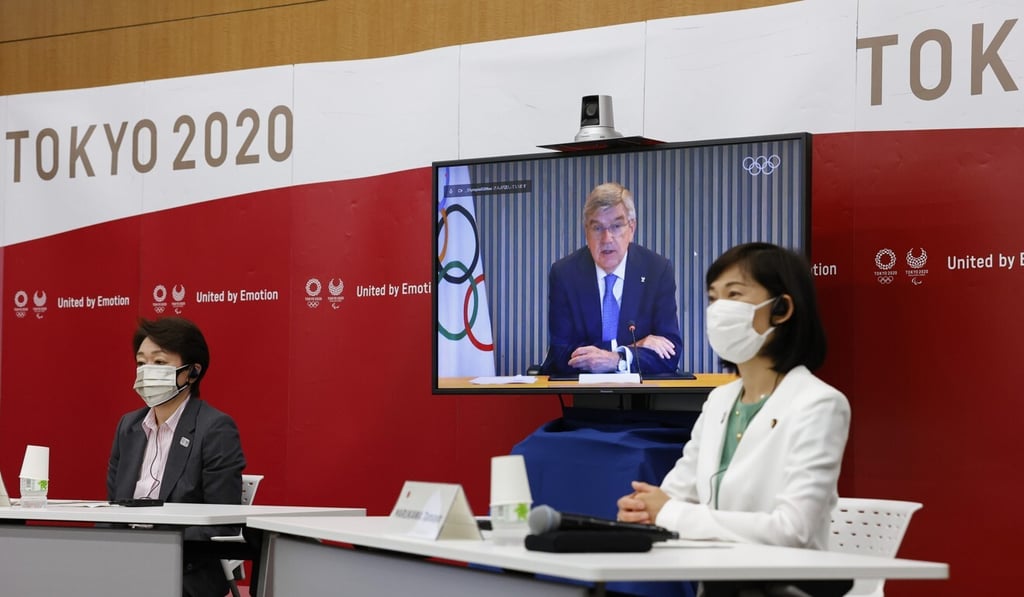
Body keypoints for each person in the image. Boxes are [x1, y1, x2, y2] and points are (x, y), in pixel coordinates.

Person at [616, 242, 852, 597]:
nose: (718, 310)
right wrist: (642, 510)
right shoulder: (719, 400)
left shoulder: (819, 404)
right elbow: (672, 495)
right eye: (713, 298)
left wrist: (669, 513)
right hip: (716, 585)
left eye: (734, 294)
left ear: (781, 309)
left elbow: (792, 531)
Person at [108, 317, 247, 597]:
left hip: (187, 567)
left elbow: (223, 522)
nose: (147, 372)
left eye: (159, 363)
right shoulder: (129, 427)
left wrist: (156, 543)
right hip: (126, 560)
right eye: (141, 363)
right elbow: (113, 509)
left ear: (192, 372)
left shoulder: (215, 428)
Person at [541, 182, 682, 376]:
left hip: (644, 397)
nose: (607, 238)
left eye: (616, 226)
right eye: (597, 228)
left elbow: (670, 352)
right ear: (586, 232)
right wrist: (631, 349)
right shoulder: (565, 273)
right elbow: (562, 352)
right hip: (579, 394)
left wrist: (617, 359)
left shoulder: (656, 270)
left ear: (631, 228)